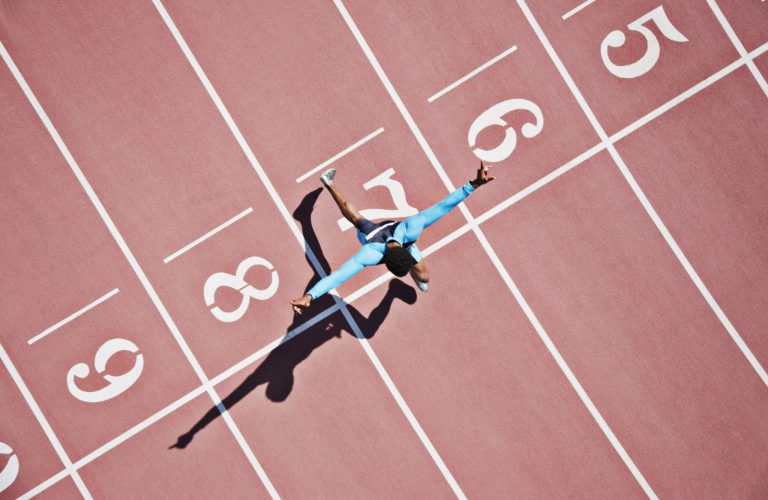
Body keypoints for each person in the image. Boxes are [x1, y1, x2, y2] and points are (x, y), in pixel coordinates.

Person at [290, 161, 495, 314]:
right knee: (356, 219)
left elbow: (443, 207)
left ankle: (319, 197)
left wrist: (475, 184)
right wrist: (311, 296)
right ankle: (329, 183)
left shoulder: (411, 230)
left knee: (423, 277)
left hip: (393, 238)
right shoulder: (371, 253)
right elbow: (338, 276)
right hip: (371, 237)